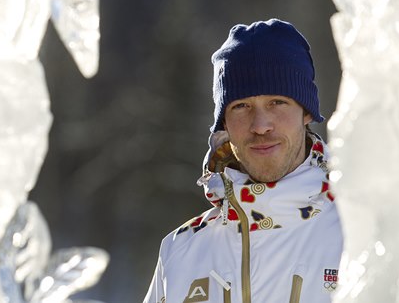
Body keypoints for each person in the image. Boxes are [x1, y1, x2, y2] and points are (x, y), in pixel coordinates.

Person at [143, 19, 343, 303]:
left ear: (307, 111)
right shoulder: (179, 252)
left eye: (277, 102)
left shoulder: (363, 232)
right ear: (223, 123)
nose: (260, 125)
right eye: (241, 106)